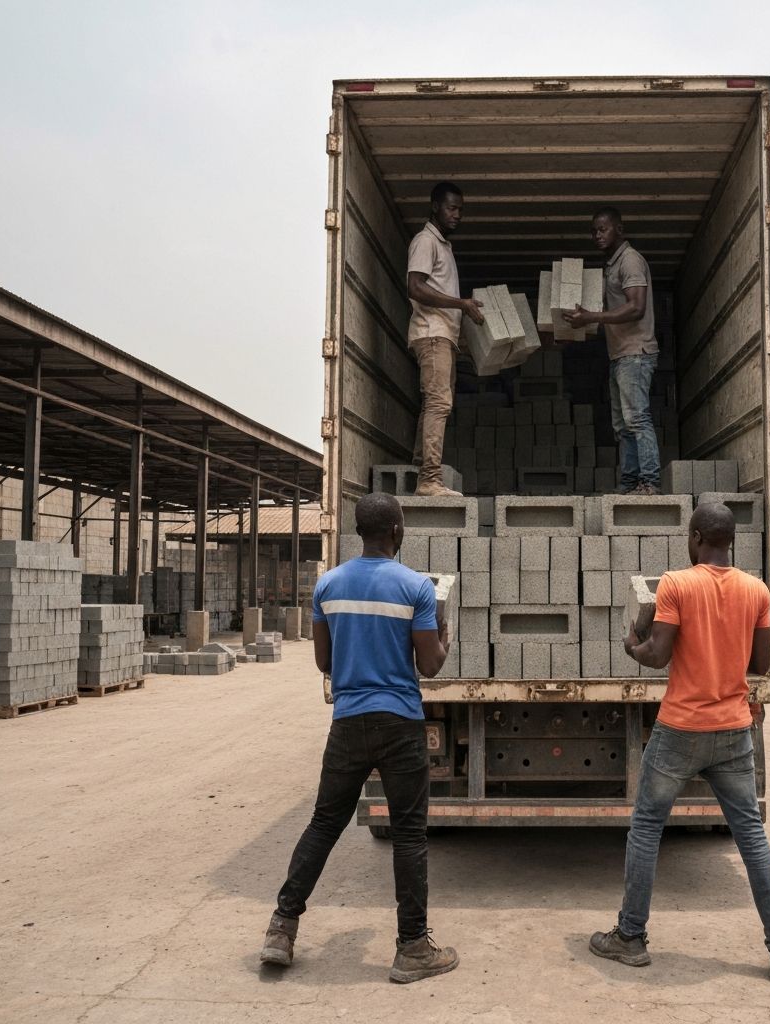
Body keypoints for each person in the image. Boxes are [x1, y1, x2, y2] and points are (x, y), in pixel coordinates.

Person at [589, 502, 770, 983]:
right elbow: (760, 662)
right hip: (733, 729)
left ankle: (630, 937)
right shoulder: (756, 590)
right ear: (731, 541)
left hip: (681, 728)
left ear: (698, 537)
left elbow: (657, 655)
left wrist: (631, 645)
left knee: (646, 828)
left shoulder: (677, 583)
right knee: (751, 836)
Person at [259, 493, 459, 984]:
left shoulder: (328, 585)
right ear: (397, 531)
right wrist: (445, 637)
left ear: (358, 531)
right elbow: (429, 666)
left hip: (348, 722)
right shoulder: (416, 588)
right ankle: (412, 947)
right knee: (409, 834)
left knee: (324, 825)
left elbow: (325, 663)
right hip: (400, 724)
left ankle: (281, 929)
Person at [562, 207, 661, 495]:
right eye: (593, 231)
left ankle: (650, 482)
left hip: (636, 353)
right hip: (619, 355)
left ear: (620, 229)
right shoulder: (611, 266)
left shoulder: (630, 261)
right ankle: (630, 483)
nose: (597, 235)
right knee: (622, 424)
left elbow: (636, 307)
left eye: (602, 229)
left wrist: (592, 317)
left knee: (637, 419)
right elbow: (611, 313)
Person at [405, 181, 484, 498]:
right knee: (440, 403)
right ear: (435, 206)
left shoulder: (443, 247)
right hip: (432, 335)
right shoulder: (425, 241)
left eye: (460, 210)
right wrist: (461, 304)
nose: (457, 215)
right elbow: (416, 287)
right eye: (452, 208)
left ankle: (421, 466)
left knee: (432, 404)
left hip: (443, 337)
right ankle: (429, 479)